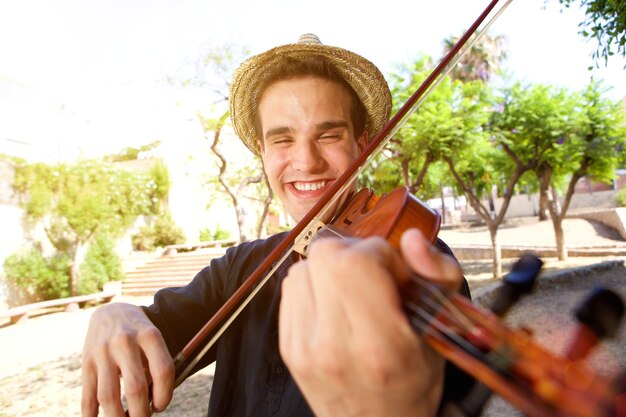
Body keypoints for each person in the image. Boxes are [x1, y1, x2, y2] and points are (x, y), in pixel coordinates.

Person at [81, 34, 473, 417]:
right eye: (282, 140)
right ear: (265, 156)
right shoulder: (239, 268)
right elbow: (155, 327)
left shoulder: (409, 253)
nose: (306, 161)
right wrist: (113, 316)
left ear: (362, 145)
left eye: (329, 135)